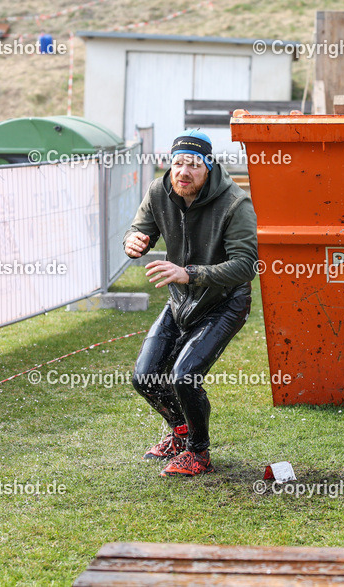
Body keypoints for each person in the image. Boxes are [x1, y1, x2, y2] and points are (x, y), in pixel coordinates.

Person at [124, 130, 258, 477]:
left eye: (194, 165)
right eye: (178, 163)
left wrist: (189, 273)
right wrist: (133, 240)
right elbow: (140, 227)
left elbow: (246, 265)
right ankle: (181, 433)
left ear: (209, 167)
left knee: (184, 377)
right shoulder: (159, 190)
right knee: (145, 377)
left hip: (224, 303)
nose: (184, 172)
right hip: (181, 301)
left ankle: (199, 454)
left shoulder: (235, 204)